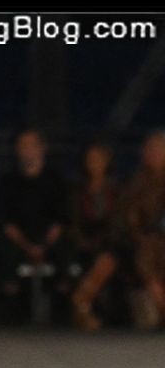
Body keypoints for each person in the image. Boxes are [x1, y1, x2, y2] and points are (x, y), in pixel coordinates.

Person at [0, 129, 71, 316]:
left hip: (48, 236)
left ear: (42, 148)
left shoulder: (55, 180)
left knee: (65, 244)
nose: (27, 150)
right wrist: (27, 246)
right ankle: (11, 300)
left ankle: (62, 302)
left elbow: (61, 219)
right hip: (19, 237)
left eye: (31, 145)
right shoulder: (8, 181)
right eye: (23, 146)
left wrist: (43, 246)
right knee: (4, 245)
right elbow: (6, 221)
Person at [67, 140, 123, 332]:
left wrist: (105, 238)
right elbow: (73, 221)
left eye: (98, 159)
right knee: (95, 256)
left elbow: (119, 221)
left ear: (107, 162)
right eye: (91, 159)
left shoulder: (116, 189)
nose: (94, 164)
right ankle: (83, 306)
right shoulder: (78, 190)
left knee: (108, 257)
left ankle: (80, 301)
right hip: (84, 239)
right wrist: (82, 240)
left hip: (110, 240)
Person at [114, 131, 165, 331]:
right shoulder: (138, 179)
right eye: (149, 150)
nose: (151, 154)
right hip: (143, 237)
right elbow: (127, 211)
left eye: (156, 150)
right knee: (145, 255)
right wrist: (136, 228)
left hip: (160, 234)